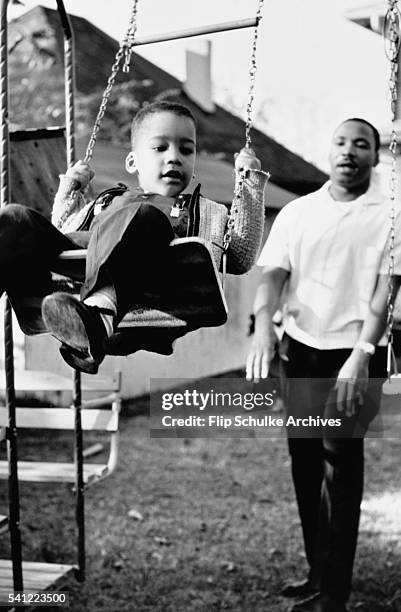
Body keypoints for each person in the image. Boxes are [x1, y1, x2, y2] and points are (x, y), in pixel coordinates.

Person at [246, 118, 401, 612]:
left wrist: (362, 354)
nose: (349, 151)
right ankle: (317, 573)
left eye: (362, 144)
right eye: (340, 142)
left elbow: (385, 293)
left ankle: (333, 592)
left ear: (375, 158)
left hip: (355, 354)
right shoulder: (298, 212)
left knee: (341, 464)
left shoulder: (391, 216)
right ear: (327, 151)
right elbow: (272, 275)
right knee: (306, 463)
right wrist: (265, 323)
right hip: (302, 349)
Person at [0, 101, 268, 373]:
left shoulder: (207, 211)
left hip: (158, 292)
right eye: (160, 147)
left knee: (145, 215)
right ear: (132, 161)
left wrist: (249, 182)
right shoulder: (107, 200)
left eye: (186, 150)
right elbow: (64, 234)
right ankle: (88, 321)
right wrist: (70, 189)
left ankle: (97, 316)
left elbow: (240, 256)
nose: (174, 157)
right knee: (14, 218)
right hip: (84, 267)